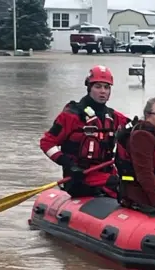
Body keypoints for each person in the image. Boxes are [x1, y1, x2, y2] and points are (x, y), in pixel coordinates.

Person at [40, 65, 129, 198]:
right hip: (79, 177)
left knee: (131, 182)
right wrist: (69, 165)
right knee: (117, 185)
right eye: (98, 86)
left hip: (106, 174)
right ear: (89, 88)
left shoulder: (115, 117)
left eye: (106, 87)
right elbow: (47, 143)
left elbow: (138, 131)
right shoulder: (70, 116)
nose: (103, 91)